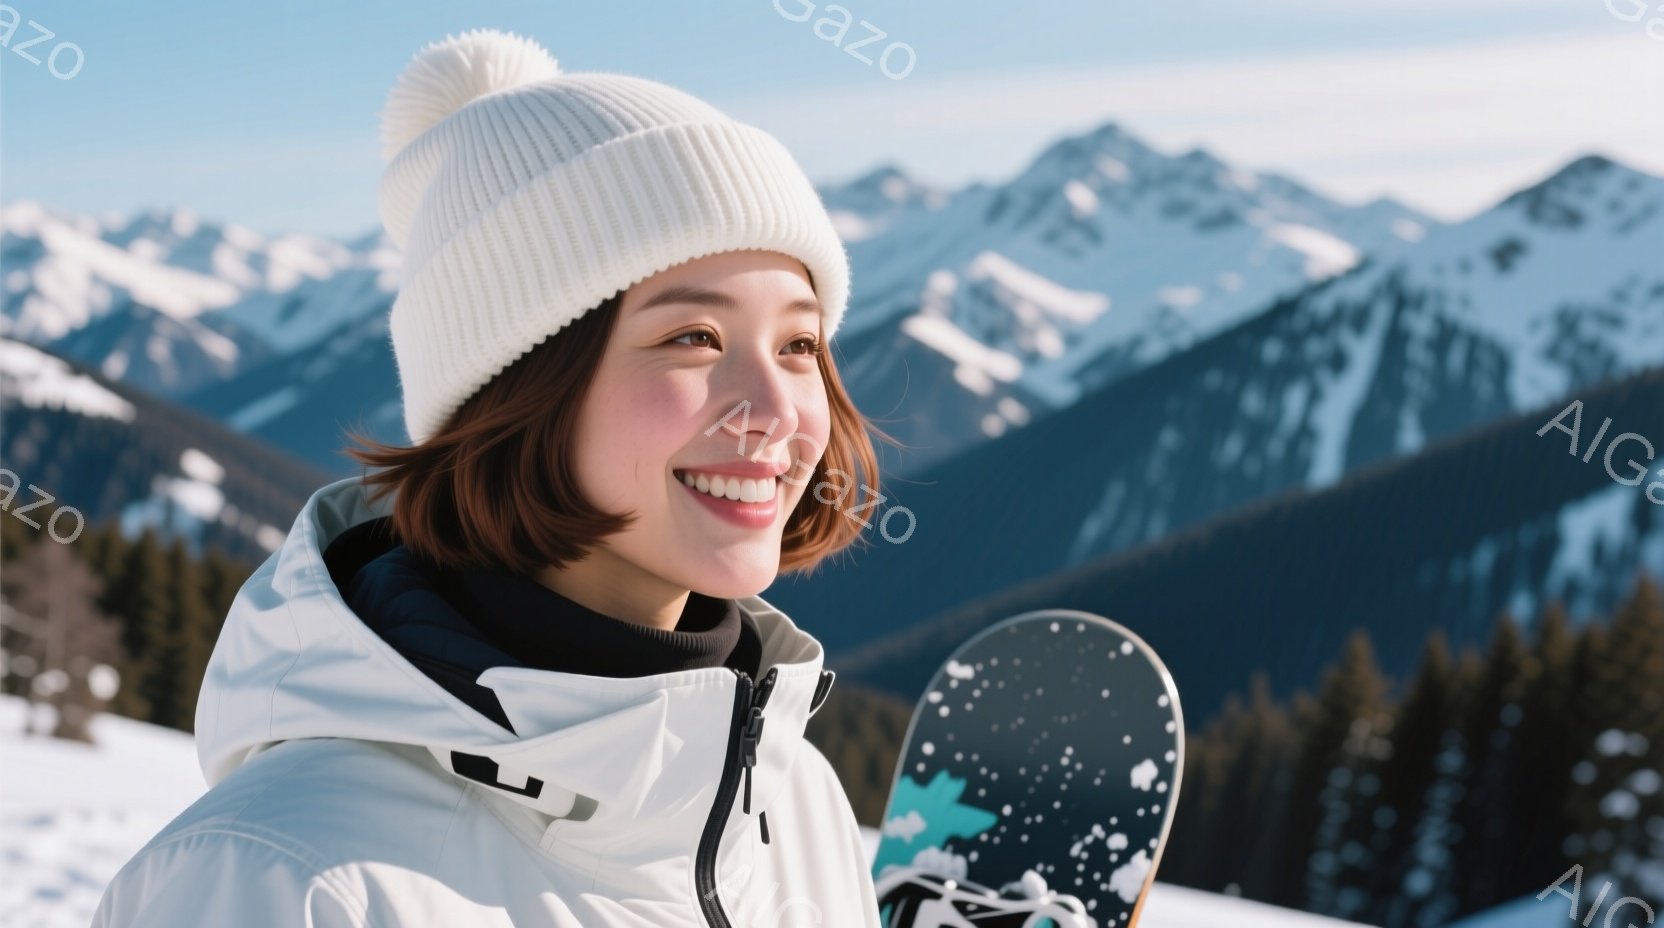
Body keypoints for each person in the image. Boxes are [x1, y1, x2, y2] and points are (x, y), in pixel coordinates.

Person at [92, 27, 895, 928]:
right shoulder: (283, 877)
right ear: (516, 390)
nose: (778, 411)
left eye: (798, 345)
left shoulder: (796, 805)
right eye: (693, 338)